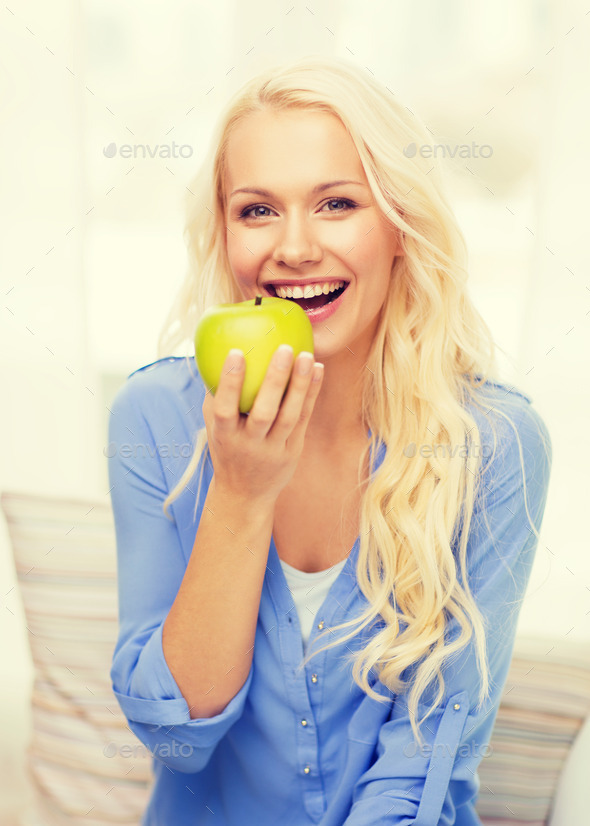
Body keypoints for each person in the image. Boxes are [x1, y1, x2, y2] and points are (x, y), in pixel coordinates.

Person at [107, 55, 552, 826]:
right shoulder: (156, 419)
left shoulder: (493, 443)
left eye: (337, 203)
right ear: (224, 232)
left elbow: (424, 765)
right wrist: (242, 495)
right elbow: (175, 741)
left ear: (401, 227)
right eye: (257, 210)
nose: (296, 247)